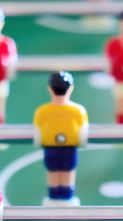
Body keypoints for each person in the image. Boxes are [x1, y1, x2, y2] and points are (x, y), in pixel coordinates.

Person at [33, 72, 89, 206]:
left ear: (49, 89)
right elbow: (83, 134)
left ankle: (55, 198)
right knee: (67, 173)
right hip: (69, 148)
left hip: (52, 148)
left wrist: (39, 141)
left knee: (54, 173)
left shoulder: (42, 111)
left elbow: (38, 133)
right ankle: (66, 198)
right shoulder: (78, 111)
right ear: (71, 88)